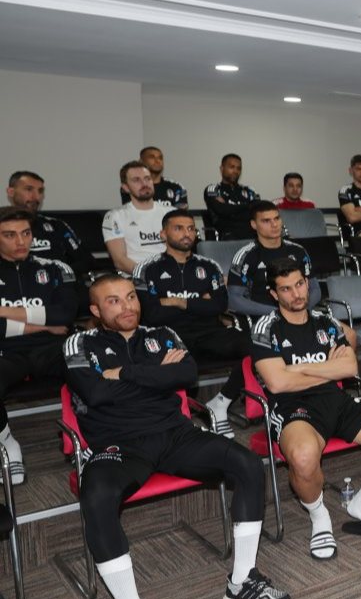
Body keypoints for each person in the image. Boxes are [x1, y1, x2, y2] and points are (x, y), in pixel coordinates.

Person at [65, 273, 290, 599]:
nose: (127, 306)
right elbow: (95, 393)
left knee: (246, 464)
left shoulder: (163, 333)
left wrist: (123, 373)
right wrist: (156, 375)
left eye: (131, 296)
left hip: (176, 435)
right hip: (118, 445)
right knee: (96, 495)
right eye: (114, 301)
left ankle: (242, 582)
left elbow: (186, 375)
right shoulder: (79, 344)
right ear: (96, 310)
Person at [251, 257, 361, 560]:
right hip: (294, 408)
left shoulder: (327, 321)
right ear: (273, 294)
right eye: (286, 289)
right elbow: (278, 384)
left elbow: (349, 368)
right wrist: (326, 367)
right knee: (303, 457)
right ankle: (319, 517)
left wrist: (298, 368)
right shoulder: (266, 327)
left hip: (337, 401)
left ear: (307, 283)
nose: (296, 294)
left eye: (299, 284)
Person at [133, 209, 250, 438]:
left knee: (257, 346)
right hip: (168, 335)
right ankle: (181, 419)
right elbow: (152, 314)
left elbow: (219, 306)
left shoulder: (209, 266)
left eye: (191, 229)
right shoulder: (146, 269)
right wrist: (200, 302)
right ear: (163, 234)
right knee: (169, 363)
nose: (187, 233)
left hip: (209, 332)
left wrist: (177, 302)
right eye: (178, 228)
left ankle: (221, 402)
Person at [0, 207, 77, 485]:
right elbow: (52, 318)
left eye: (26, 233)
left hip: (51, 347)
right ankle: (7, 444)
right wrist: (43, 323)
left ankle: (89, 436)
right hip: (7, 351)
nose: (21, 241)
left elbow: (65, 314)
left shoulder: (56, 267)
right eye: (10, 235)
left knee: (89, 366)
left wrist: (4, 311)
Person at [228, 201, 322, 318]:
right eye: (266, 221)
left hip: (299, 313)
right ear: (254, 224)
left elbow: (315, 289)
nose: (274, 224)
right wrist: (279, 312)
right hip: (263, 317)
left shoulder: (298, 251)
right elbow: (233, 299)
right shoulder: (245, 256)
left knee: (341, 329)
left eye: (277, 218)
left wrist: (301, 308)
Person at [6, 170, 92, 284]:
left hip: (58, 285)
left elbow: (86, 260)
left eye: (40, 191)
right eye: (29, 189)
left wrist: (58, 273)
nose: (36, 197)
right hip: (13, 286)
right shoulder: (2, 226)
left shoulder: (56, 225)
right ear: (11, 192)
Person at [102, 161, 173, 274]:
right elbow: (120, 261)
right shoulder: (115, 216)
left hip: (172, 274)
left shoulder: (172, 213)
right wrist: (149, 275)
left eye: (147, 178)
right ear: (126, 187)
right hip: (136, 277)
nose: (144, 183)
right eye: (136, 180)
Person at [203, 153, 260, 240]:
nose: (235, 171)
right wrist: (248, 206)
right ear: (222, 169)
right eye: (231, 167)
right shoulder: (213, 189)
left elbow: (258, 210)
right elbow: (221, 210)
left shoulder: (249, 190)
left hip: (251, 235)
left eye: (238, 168)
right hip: (226, 237)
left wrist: (230, 209)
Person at [120, 146, 187, 208]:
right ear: (141, 161)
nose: (157, 161)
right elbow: (133, 211)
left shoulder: (177, 187)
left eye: (160, 158)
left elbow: (181, 214)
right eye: (152, 157)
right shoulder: (130, 187)